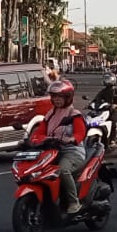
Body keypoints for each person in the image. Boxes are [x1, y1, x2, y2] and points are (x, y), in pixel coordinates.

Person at [29, 79, 87, 215]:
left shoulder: (74, 114)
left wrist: (71, 139)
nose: (56, 100)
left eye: (59, 97)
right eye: (54, 97)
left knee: (63, 170)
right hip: (52, 151)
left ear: (68, 98)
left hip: (72, 151)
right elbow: (40, 132)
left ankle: (74, 202)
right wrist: (31, 140)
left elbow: (80, 132)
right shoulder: (50, 114)